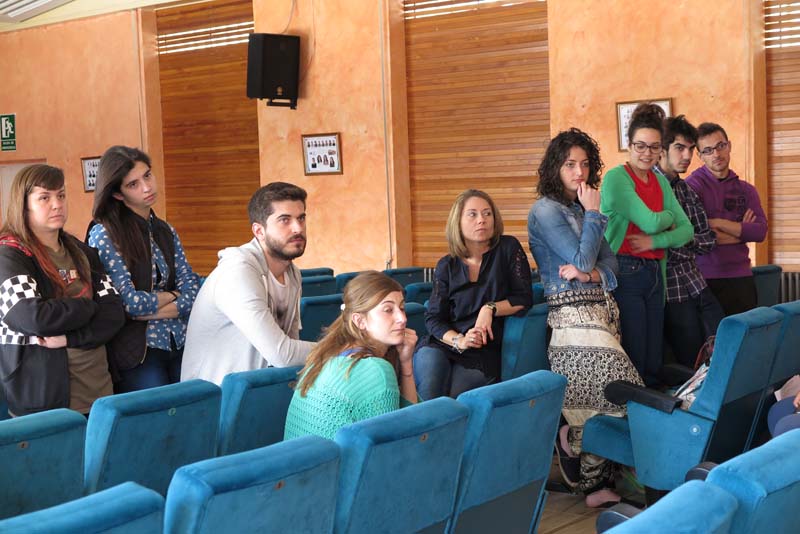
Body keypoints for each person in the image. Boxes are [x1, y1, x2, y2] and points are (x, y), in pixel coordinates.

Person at [528, 128, 643, 507]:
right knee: (621, 394)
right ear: (555, 168)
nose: (579, 172)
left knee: (604, 401)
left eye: (585, 164)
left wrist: (591, 274)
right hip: (570, 319)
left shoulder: (580, 209)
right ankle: (574, 444)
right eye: (570, 164)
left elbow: (611, 266)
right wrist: (594, 215)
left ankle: (593, 483)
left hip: (603, 313)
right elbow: (581, 257)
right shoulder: (545, 210)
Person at [0, 164, 124, 416]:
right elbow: (33, 317)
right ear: (23, 205)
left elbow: (113, 314)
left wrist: (69, 338)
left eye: (61, 195)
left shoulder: (83, 252)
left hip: (99, 392)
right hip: (43, 400)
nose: (57, 204)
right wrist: (88, 307)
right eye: (44, 198)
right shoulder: (10, 255)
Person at [88, 146, 201, 392]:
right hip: (138, 353)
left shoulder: (165, 230)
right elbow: (129, 303)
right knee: (158, 413)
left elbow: (192, 289)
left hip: (180, 341)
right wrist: (174, 296)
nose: (147, 187)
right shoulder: (105, 234)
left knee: (194, 407)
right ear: (117, 194)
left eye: (147, 175)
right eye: (133, 184)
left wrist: (162, 306)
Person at [181, 182, 315, 385]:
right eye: (285, 220)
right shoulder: (237, 272)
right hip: (215, 396)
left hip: (258, 389)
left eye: (301, 218)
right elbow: (282, 354)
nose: (297, 228)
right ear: (259, 231)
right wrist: (342, 348)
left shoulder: (292, 273)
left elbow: (292, 349)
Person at [600, 104, 693, 387]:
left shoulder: (659, 182)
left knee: (654, 359)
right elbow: (651, 221)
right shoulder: (617, 178)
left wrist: (655, 240)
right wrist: (667, 219)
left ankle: (651, 412)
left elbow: (687, 230)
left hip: (655, 272)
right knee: (635, 355)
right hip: (624, 271)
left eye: (654, 147)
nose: (647, 153)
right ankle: (631, 412)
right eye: (640, 145)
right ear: (629, 145)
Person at [413, 190, 532, 400]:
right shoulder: (446, 265)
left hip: (483, 350)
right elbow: (433, 318)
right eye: (472, 214)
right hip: (447, 343)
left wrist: (490, 308)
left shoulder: (508, 248)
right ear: (457, 222)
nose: (481, 220)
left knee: (454, 400)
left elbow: (524, 298)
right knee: (430, 396)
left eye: (487, 213)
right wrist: (459, 340)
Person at [284, 271, 418, 440]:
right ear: (359, 321)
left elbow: (409, 421)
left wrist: (406, 363)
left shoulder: (328, 353)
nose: (402, 318)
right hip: (333, 458)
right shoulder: (374, 369)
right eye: (388, 310)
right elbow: (404, 439)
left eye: (402, 308)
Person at [653, 116, 725, 367]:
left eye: (691, 149)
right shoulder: (648, 187)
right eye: (680, 148)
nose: (687, 155)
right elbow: (661, 246)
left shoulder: (684, 189)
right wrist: (683, 237)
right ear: (662, 149)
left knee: (724, 345)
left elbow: (708, 241)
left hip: (696, 281)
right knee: (691, 360)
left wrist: (681, 235)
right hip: (670, 288)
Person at [686, 122, 768, 316]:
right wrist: (741, 230)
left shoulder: (746, 190)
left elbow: (760, 232)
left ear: (729, 146)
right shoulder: (691, 187)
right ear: (699, 155)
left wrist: (717, 223)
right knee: (711, 335)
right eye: (708, 150)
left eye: (720, 146)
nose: (716, 154)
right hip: (704, 278)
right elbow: (694, 236)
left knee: (745, 333)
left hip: (741, 276)